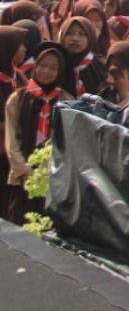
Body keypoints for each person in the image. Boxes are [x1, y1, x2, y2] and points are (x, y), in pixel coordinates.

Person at [5, 46, 71, 222]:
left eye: (53, 68)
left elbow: (67, 142)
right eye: (42, 65)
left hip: (52, 179)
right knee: (19, 226)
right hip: (21, 178)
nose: (46, 71)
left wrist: (46, 170)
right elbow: (11, 141)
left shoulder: (66, 102)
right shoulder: (18, 98)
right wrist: (25, 170)